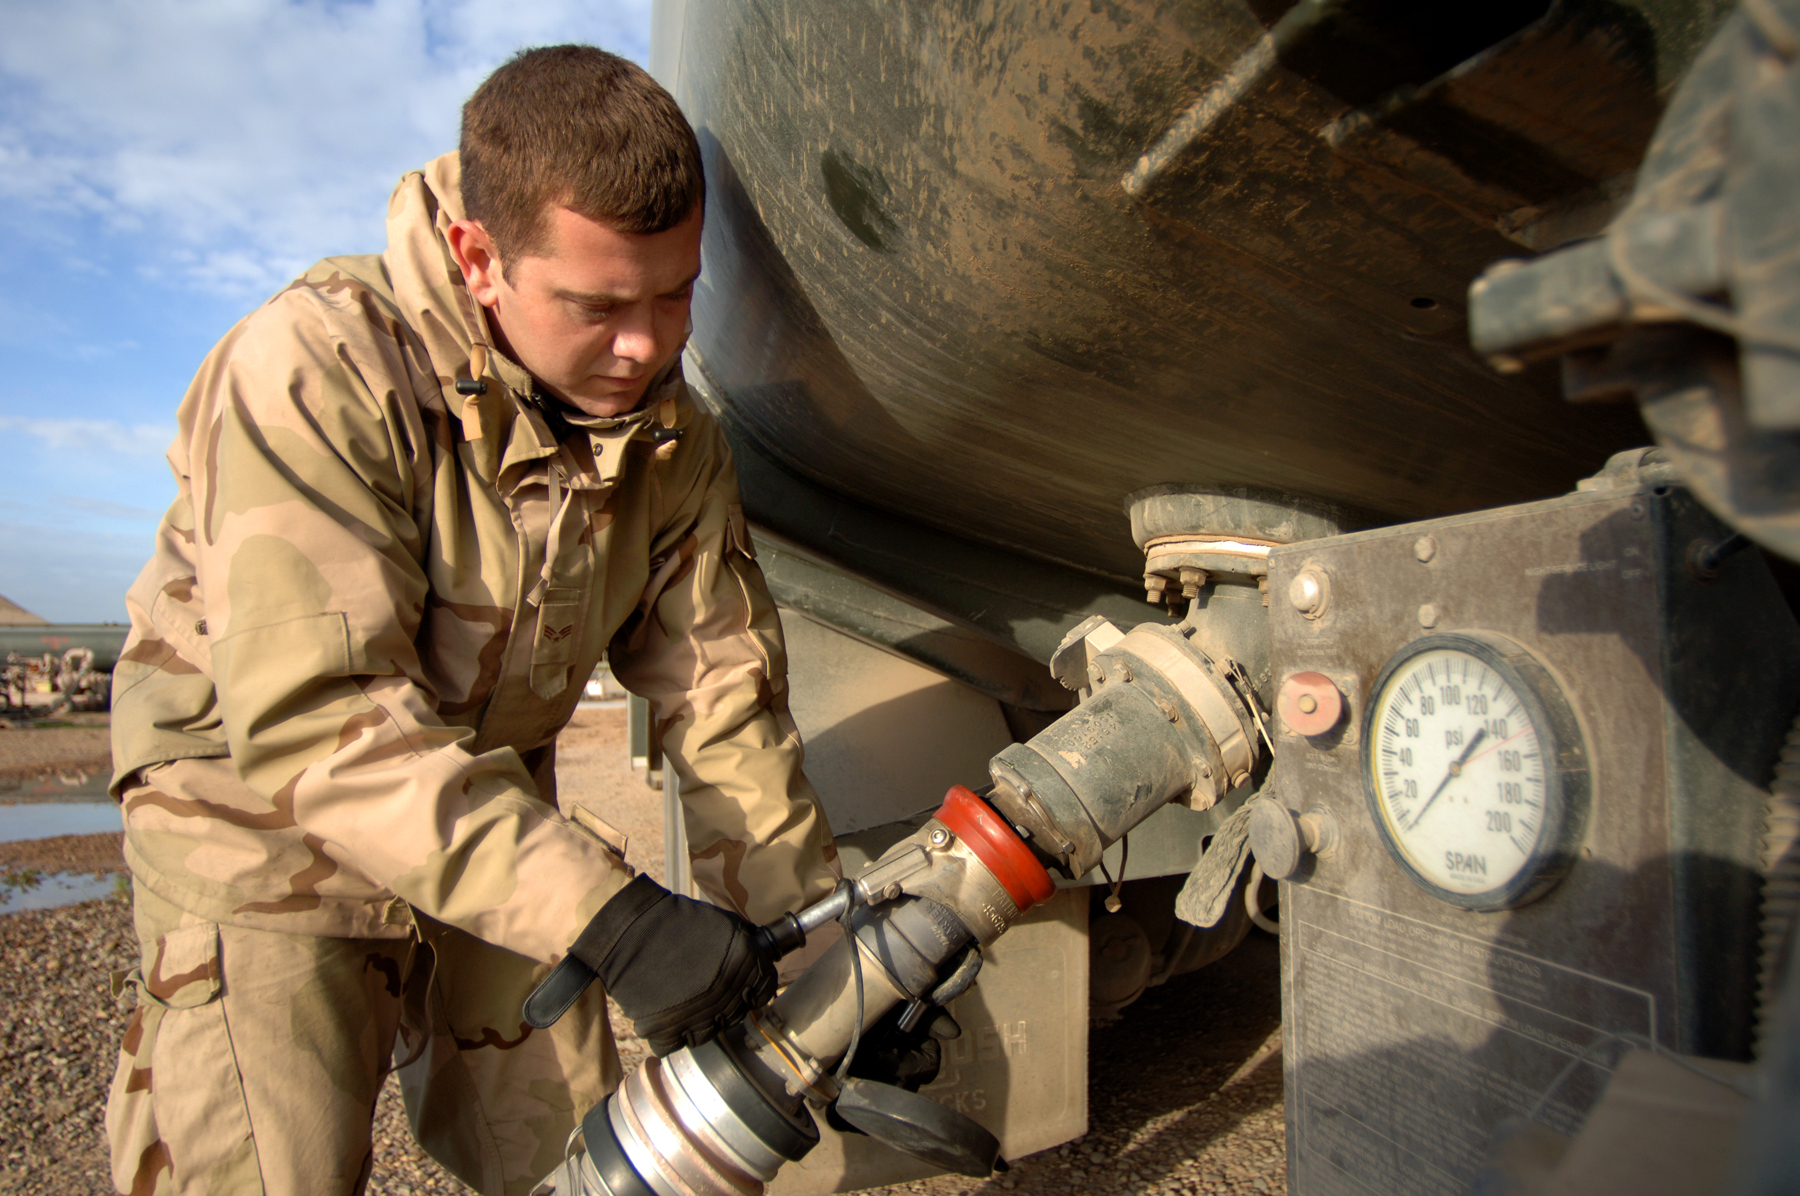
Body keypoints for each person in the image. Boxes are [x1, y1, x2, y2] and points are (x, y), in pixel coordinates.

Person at [103, 45, 841, 1196]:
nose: (647, 343)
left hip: (490, 816)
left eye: (675, 291)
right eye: (598, 304)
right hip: (260, 835)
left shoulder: (670, 436)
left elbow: (726, 706)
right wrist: (614, 915)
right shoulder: (314, 368)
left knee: (591, 1159)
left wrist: (826, 978)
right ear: (477, 257)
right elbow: (316, 723)